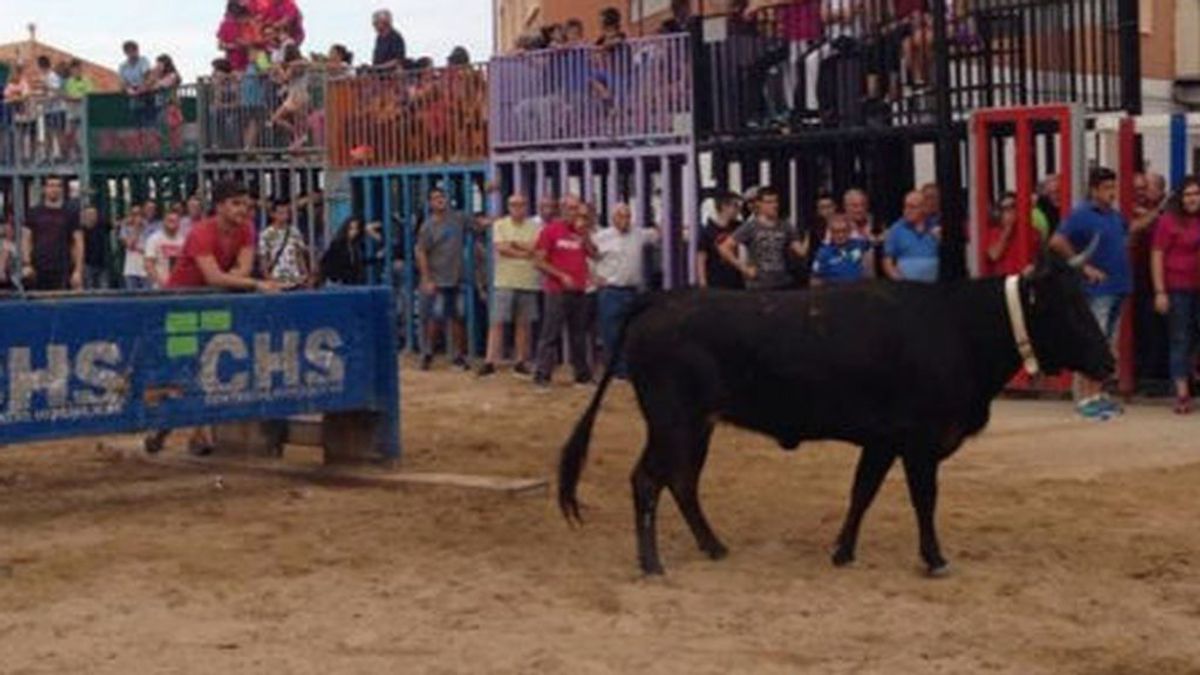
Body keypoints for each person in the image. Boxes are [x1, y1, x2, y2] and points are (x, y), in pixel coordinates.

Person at [145, 180, 284, 457]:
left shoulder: (246, 229)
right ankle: (177, 429)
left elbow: (242, 269)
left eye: (245, 204)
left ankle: (190, 431)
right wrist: (254, 284)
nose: (242, 210)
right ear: (219, 206)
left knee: (208, 369)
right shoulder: (201, 232)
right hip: (180, 308)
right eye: (235, 203)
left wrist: (240, 278)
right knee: (182, 371)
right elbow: (216, 277)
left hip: (212, 306)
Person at [1049, 167, 1131, 421]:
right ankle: (1085, 397)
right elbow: (1057, 241)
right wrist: (1084, 266)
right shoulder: (1082, 215)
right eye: (1107, 188)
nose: (1112, 193)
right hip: (1098, 290)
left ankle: (1096, 395)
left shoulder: (1115, 217)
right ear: (1094, 190)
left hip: (1119, 287)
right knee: (1093, 342)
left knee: (1106, 345)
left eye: (1113, 188)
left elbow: (1126, 235)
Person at [533, 195, 595, 388]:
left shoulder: (580, 232)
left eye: (576, 208)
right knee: (550, 334)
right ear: (561, 209)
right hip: (557, 291)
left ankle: (582, 376)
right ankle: (542, 376)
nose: (574, 212)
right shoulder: (550, 231)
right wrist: (560, 275)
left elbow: (595, 254)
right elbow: (538, 261)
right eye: (570, 208)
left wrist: (585, 237)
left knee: (579, 335)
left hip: (579, 289)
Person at [1150, 176, 1200, 414]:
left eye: (1196, 194)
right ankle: (1181, 393)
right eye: (1188, 194)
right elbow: (1157, 254)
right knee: (1180, 339)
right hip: (1178, 287)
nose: (1192, 199)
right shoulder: (1168, 222)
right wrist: (1160, 291)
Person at [593, 203, 660, 378]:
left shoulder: (638, 234)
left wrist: (658, 212)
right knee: (611, 333)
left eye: (628, 216)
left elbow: (659, 234)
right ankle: (616, 370)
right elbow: (588, 256)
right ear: (613, 218)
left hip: (632, 291)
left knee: (631, 332)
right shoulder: (601, 237)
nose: (625, 220)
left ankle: (627, 368)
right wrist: (592, 277)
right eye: (621, 216)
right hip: (611, 291)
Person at [480, 194, 543, 378]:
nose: (518, 208)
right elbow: (501, 248)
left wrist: (514, 244)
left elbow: (535, 247)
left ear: (526, 206)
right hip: (504, 281)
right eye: (514, 205)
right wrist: (524, 251)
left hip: (528, 281)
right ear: (508, 207)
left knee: (523, 324)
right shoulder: (500, 224)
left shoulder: (535, 226)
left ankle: (520, 361)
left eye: (521, 204)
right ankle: (490, 361)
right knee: (497, 322)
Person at [416, 187, 472, 371]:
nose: (440, 200)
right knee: (436, 318)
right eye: (435, 198)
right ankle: (428, 353)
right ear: (430, 203)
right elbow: (421, 252)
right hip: (438, 279)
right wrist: (426, 278)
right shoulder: (428, 226)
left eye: (442, 196)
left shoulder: (458, 218)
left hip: (457, 278)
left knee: (458, 317)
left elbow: (479, 223)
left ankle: (458, 356)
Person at [719, 186, 807, 290]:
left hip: (782, 282)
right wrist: (744, 268)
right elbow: (724, 248)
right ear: (759, 204)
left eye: (775, 201)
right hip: (759, 284)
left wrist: (809, 235)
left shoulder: (785, 226)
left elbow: (801, 252)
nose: (774, 205)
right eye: (769, 202)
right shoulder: (751, 226)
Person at [21, 176, 83, 291]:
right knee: (38, 305)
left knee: (62, 305)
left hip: (63, 268)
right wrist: (27, 264)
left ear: (61, 189)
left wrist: (78, 270)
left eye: (58, 185)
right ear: (44, 189)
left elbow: (78, 242)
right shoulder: (33, 212)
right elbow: (26, 239)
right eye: (51, 185)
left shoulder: (70, 213)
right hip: (38, 267)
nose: (54, 189)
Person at [883, 190, 940, 283]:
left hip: (935, 288)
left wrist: (941, 240)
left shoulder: (936, 227)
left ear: (924, 208)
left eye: (912, 207)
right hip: (906, 289)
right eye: (905, 206)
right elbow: (887, 261)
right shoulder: (896, 229)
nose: (907, 211)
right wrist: (898, 279)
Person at [982, 192, 1042, 277]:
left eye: (1013, 206)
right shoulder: (993, 233)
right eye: (1005, 208)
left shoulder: (1033, 232)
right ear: (1000, 213)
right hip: (1001, 282)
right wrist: (1008, 229)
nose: (1010, 211)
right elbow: (994, 255)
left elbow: (1038, 260)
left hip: (1024, 280)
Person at [697, 191, 745, 290]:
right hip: (715, 280)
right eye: (735, 206)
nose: (738, 210)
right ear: (724, 206)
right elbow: (701, 257)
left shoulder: (739, 226)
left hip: (737, 279)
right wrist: (702, 281)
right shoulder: (708, 231)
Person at [259, 199, 309, 286]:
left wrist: (304, 273)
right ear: (272, 214)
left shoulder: (294, 232)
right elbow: (263, 258)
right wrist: (267, 278)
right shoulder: (266, 234)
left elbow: (299, 255)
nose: (284, 216)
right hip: (275, 278)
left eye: (286, 213)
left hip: (295, 278)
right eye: (281, 213)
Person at [320, 216, 382, 285]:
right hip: (338, 282)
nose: (354, 232)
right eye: (351, 229)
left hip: (351, 281)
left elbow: (359, 262)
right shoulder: (338, 245)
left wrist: (375, 258)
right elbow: (328, 263)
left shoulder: (355, 245)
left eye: (356, 229)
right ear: (345, 229)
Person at [811, 216, 873, 285]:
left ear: (849, 232)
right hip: (834, 292)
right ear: (831, 233)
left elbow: (874, 241)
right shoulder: (823, 252)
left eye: (844, 231)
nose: (840, 235)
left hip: (857, 289)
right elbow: (815, 279)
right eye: (836, 232)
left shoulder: (859, 244)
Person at [144, 212, 187, 289]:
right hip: (160, 288)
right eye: (170, 220)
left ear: (179, 223)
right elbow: (149, 264)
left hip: (180, 287)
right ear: (164, 222)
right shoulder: (154, 239)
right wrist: (160, 282)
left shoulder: (184, 240)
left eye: (175, 221)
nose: (172, 223)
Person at [80, 206, 112, 290]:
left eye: (94, 214)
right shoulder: (81, 229)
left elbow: (115, 224)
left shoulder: (102, 225)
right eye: (89, 214)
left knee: (104, 290)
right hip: (87, 264)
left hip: (102, 264)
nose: (91, 216)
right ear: (84, 216)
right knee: (88, 290)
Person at [119, 206, 150, 290]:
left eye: (139, 214)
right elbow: (129, 245)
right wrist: (136, 228)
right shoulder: (125, 228)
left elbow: (148, 249)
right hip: (130, 270)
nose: (137, 217)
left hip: (146, 271)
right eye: (134, 214)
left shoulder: (148, 228)